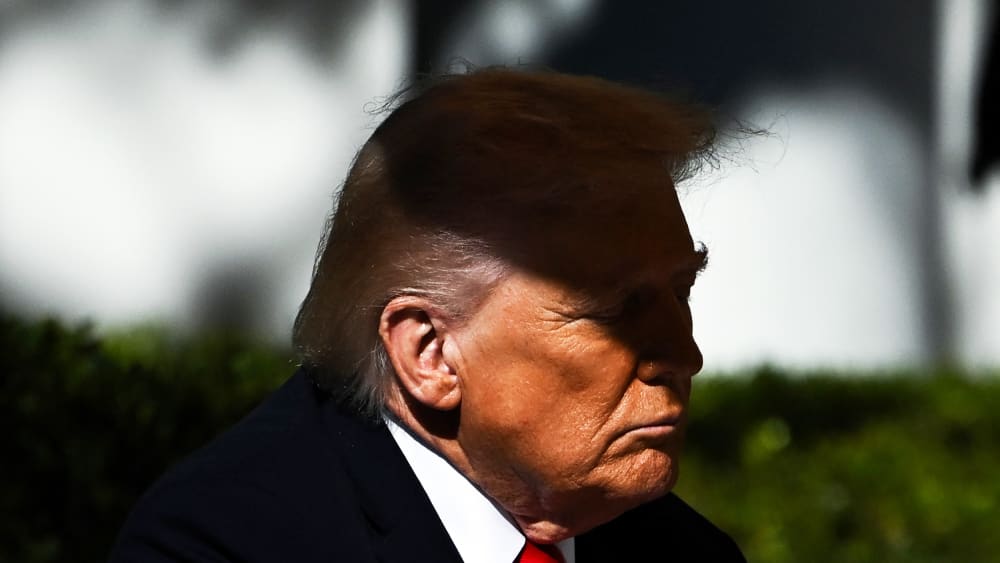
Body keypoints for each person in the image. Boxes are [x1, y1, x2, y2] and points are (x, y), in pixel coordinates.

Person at [110, 67, 746, 562]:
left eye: (681, 291)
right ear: (429, 352)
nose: (683, 355)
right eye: (618, 309)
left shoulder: (684, 553)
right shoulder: (221, 547)